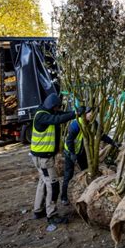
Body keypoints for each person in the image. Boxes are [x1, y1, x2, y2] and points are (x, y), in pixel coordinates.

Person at [30, 93, 85, 225]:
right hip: (44, 158)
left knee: (43, 182)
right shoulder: (42, 116)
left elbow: (61, 115)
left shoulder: (45, 112)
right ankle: (52, 214)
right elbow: (57, 119)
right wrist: (75, 113)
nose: (57, 110)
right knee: (53, 185)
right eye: (56, 107)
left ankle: (38, 210)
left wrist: (75, 112)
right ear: (52, 106)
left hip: (40, 157)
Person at [61, 107, 120, 205]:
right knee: (68, 174)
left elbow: (101, 135)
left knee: (86, 170)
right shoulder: (76, 124)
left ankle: (86, 192)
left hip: (82, 151)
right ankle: (64, 197)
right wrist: (72, 154)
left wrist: (113, 142)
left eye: (93, 114)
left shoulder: (93, 123)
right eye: (90, 114)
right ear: (84, 114)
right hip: (70, 151)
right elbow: (69, 140)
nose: (92, 116)